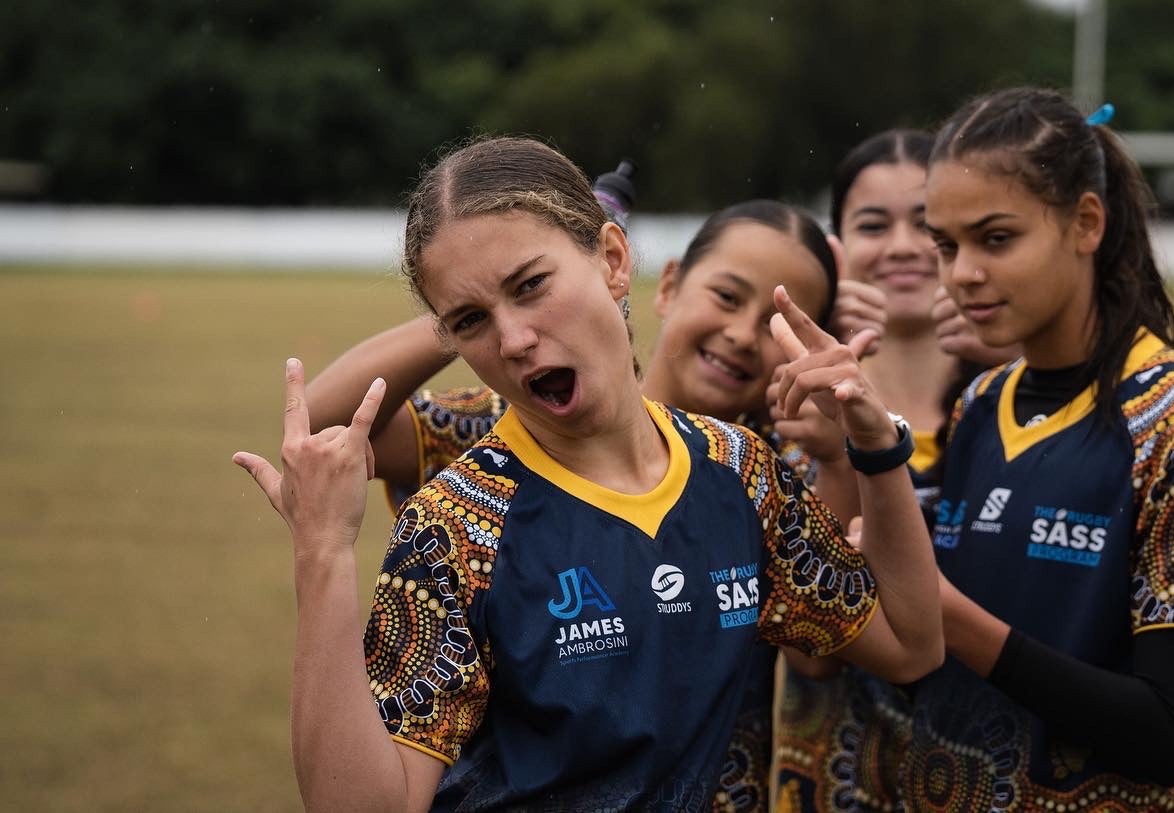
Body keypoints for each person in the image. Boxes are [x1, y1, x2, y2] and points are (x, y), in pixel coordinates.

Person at [231, 135, 944, 812]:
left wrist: (875, 446)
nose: (512, 339)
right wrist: (322, 554)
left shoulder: (743, 471)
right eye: (471, 320)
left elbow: (910, 644)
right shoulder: (455, 527)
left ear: (612, 258)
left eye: (531, 284)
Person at [306, 198, 848, 811]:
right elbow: (325, 432)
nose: (742, 334)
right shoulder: (521, 419)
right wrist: (480, 297)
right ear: (665, 283)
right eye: (726, 296)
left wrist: (848, 453)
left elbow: (829, 653)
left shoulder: (771, 467)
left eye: (779, 320)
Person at [900, 87, 1174, 811]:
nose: (962, 271)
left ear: (1086, 222)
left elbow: (1164, 733)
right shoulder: (980, 402)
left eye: (996, 238)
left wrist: (950, 618)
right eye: (946, 244)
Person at [772, 129, 1022, 813]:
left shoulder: (1027, 397)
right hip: (839, 783)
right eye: (875, 224)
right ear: (837, 249)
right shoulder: (795, 405)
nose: (908, 247)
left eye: (931, 226)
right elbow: (813, 652)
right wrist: (840, 442)